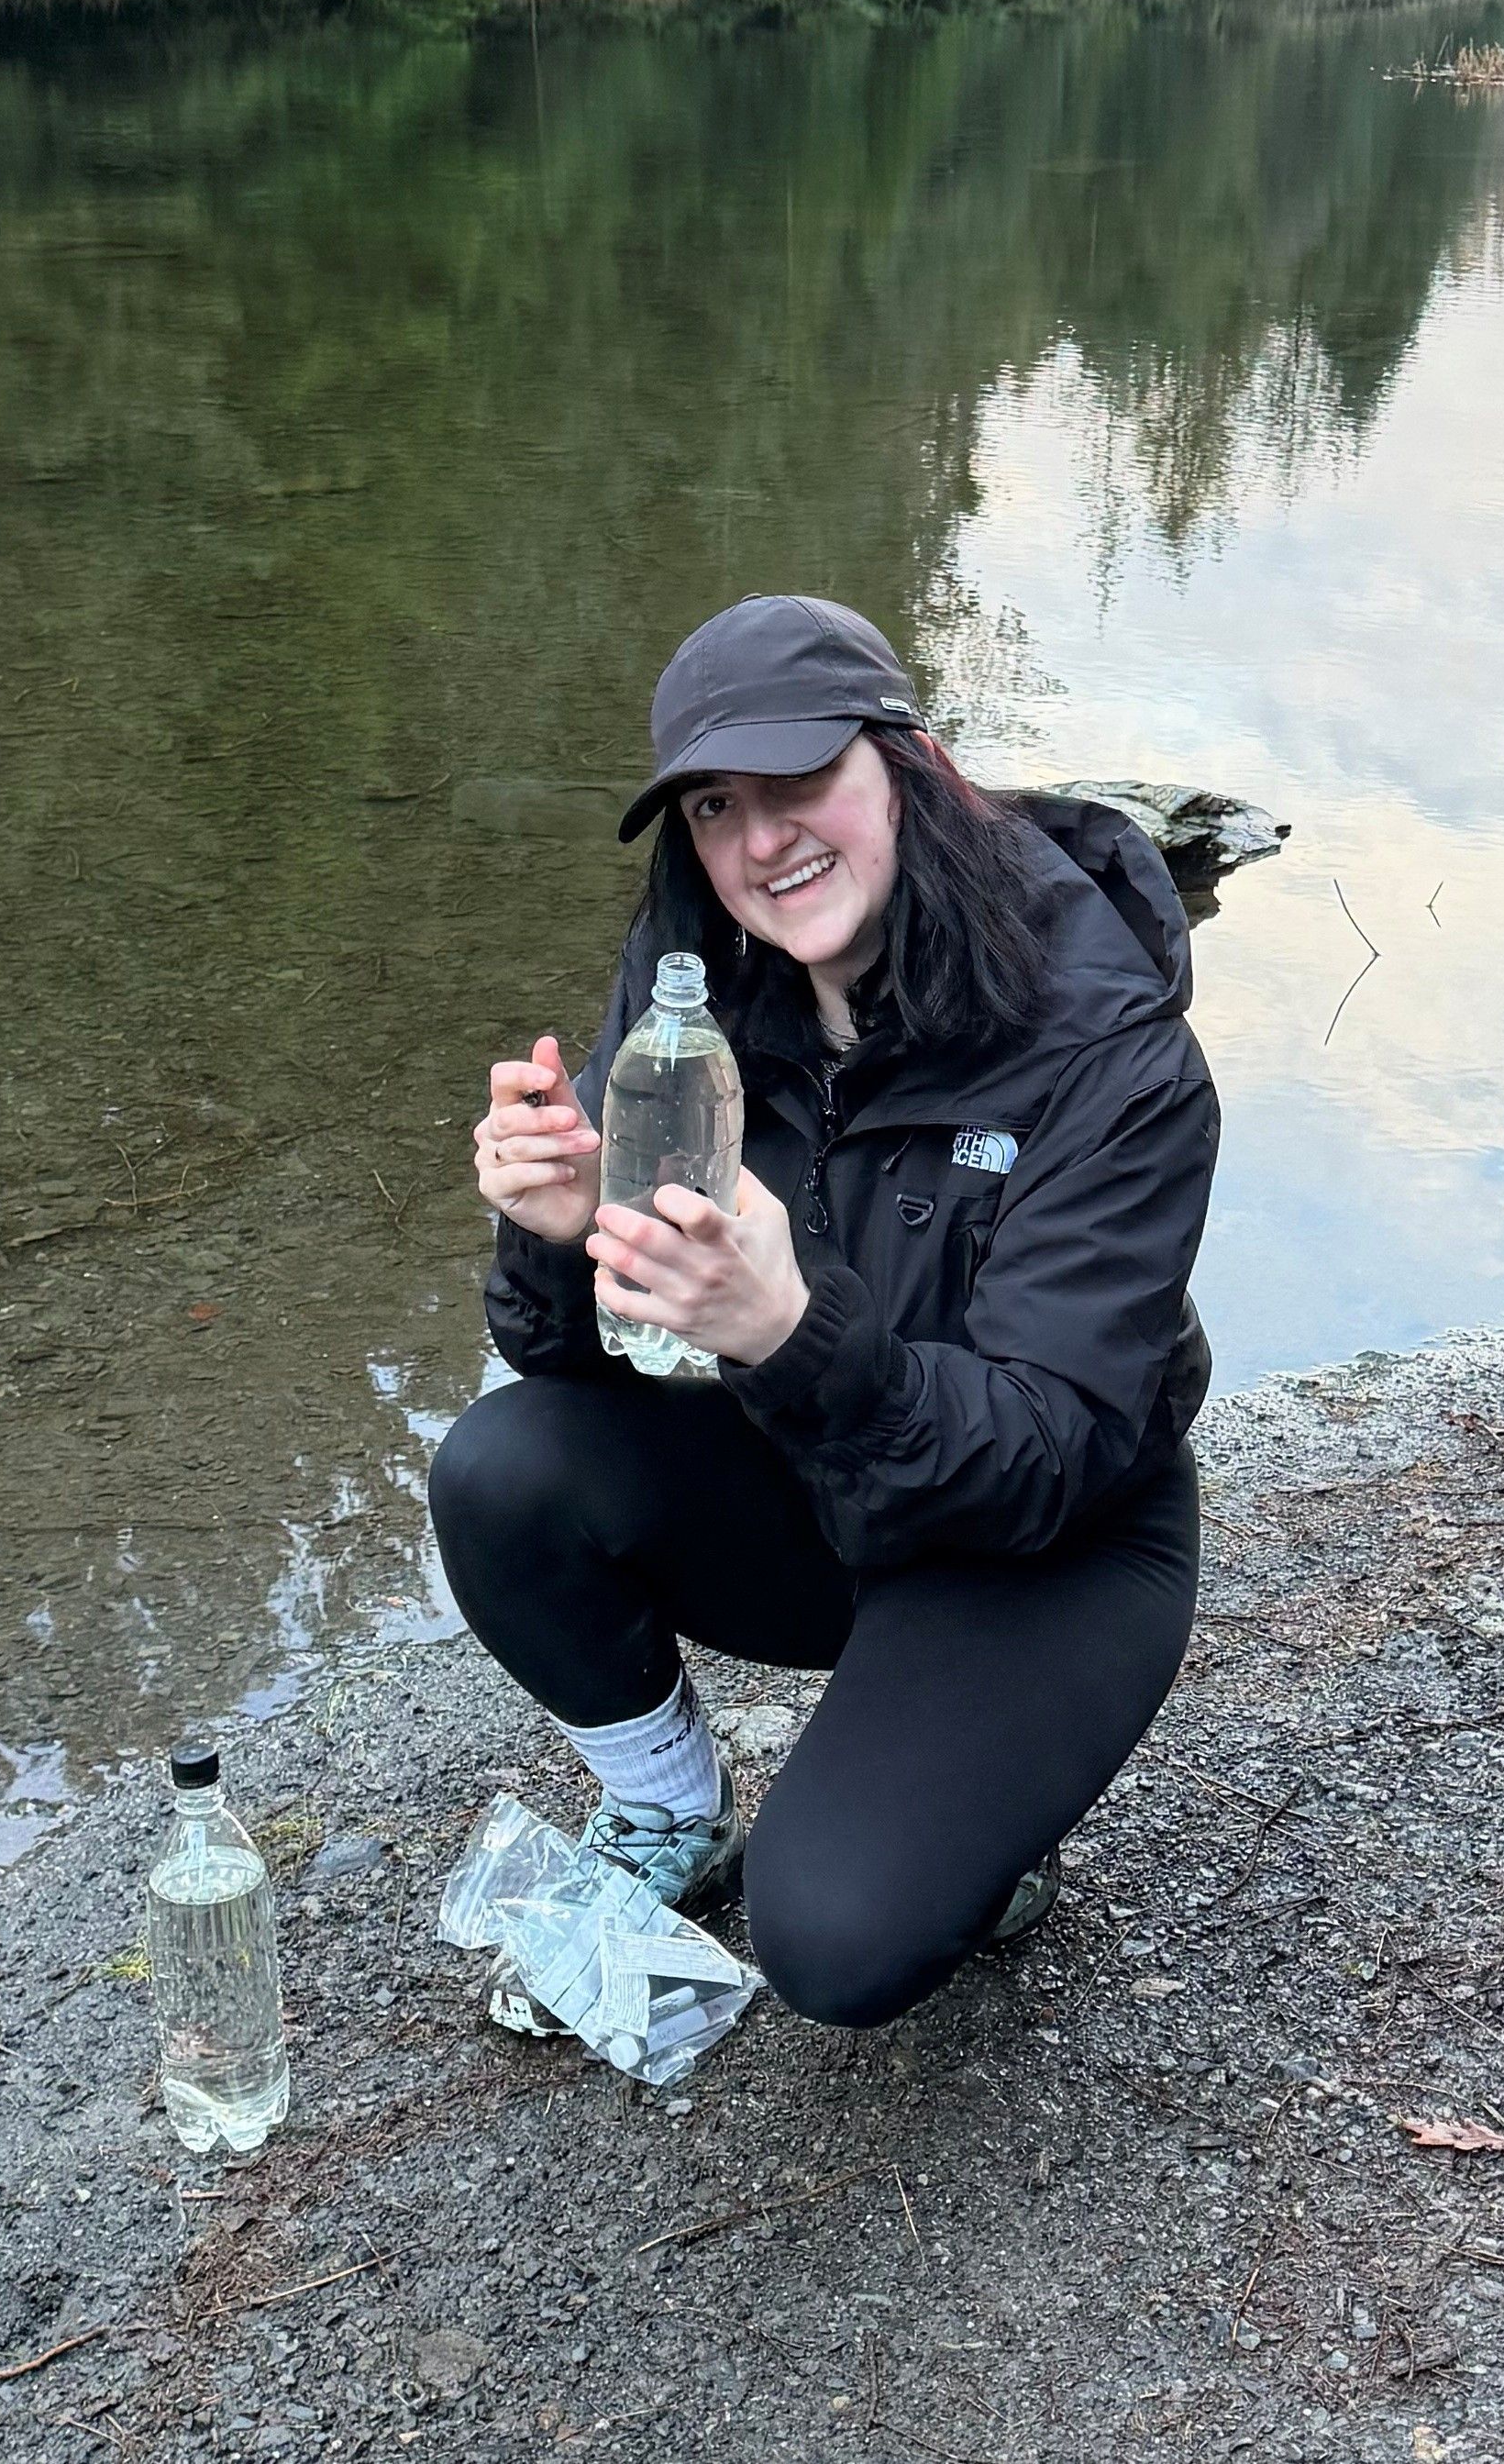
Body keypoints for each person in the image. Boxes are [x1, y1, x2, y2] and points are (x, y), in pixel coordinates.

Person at [427, 592, 1219, 2033]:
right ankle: (671, 1812)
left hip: (1048, 1542)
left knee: (836, 1941)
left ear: (910, 760)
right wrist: (553, 1232)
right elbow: (568, 1360)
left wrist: (792, 1328)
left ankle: (979, 1810)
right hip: (811, 1475)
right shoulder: (694, 991)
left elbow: (1048, 1445)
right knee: (501, 1464)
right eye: (716, 806)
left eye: (799, 781)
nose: (760, 840)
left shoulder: (1108, 1047)